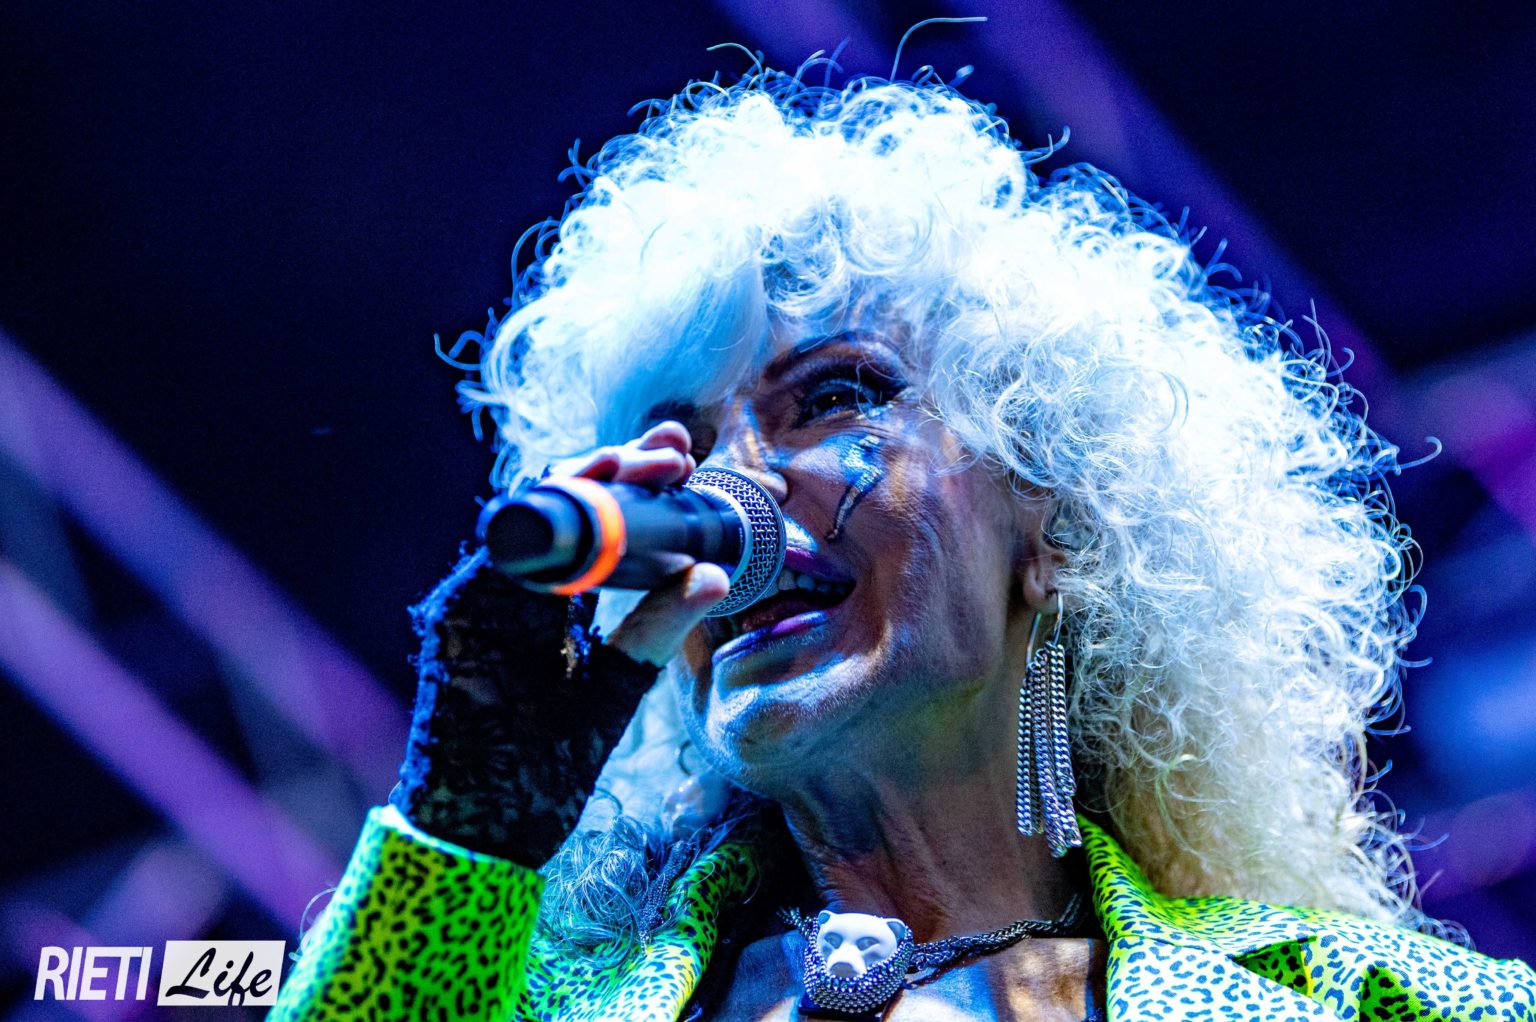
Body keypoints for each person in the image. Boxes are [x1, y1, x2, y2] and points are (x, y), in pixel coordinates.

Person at [268, 63, 1536, 1021]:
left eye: (832, 396)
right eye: (681, 450)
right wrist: (464, 826)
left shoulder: (1388, 1003)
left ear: (1052, 521)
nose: (733, 492)